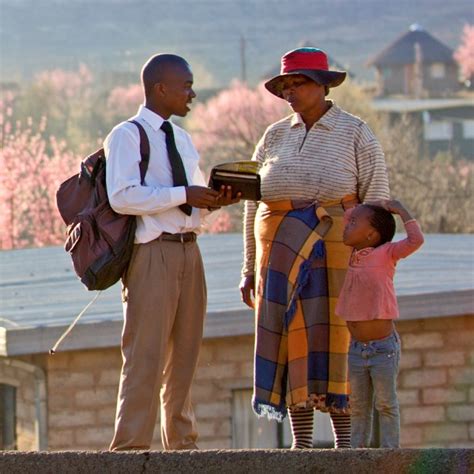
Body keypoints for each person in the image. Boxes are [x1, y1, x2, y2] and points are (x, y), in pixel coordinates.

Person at [239, 47, 390, 449]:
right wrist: (248, 267)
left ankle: (346, 447)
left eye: (299, 83)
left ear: (323, 86)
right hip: (280, 255)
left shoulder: (355, 132)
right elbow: (253, 202)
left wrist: (374, 265)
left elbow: (376, 200)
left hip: (338, 254)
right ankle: (301, 446)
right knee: (291, 343)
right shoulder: (273, 136)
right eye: (285, 85)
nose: (290, 91)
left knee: (338, 343)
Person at [105, 53, 239, 451]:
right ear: (160, 88)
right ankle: (130, 449)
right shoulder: (127, 135)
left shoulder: (182, 139)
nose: (193, 93)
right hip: (152, 254)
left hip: (189, 252)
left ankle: (182, 447)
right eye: (186, 85)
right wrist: (184, 194)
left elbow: (189, 201)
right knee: (145, 356)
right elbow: (122, 196)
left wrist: (214, 200)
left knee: (185, 357)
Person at [336, 200, 424, 448]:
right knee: (359, 407)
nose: (347, 224)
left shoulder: (387, 254)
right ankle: (357, 454)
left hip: (383, 349)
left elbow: (416, 240)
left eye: (353, 223)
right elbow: (352, 212)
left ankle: (389, 454)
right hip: (356, 349)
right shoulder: (354, 254)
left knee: (385, 403)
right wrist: (373, 206)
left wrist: (398, 209)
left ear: (371, 234)